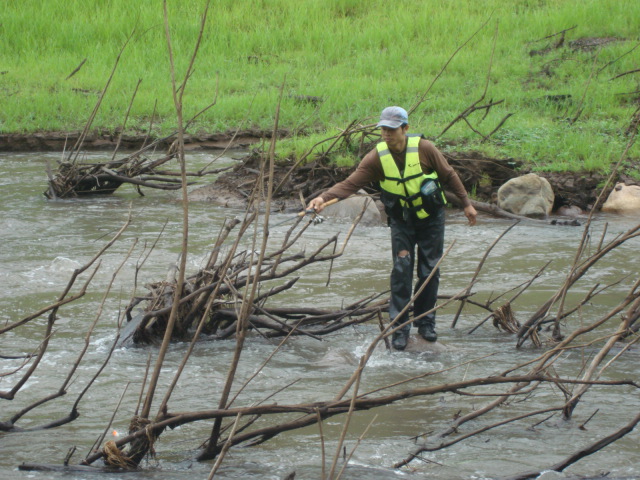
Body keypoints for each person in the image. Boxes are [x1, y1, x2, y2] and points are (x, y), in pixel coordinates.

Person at [307, 106, 477, 350]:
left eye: (391, 129)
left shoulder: (425, 149)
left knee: (429, 271)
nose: (386, 134)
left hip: (431, 219)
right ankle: (399, 327)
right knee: (401, 271)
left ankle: (426, 323)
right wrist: (323, 198)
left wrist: (467, 204)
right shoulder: (376, 157)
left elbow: (448, 175)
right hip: (401, 221)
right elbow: (350, 184)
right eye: (383, 130)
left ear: (405, 129)